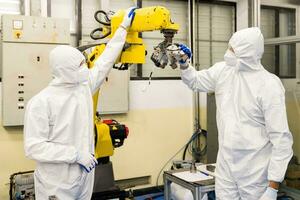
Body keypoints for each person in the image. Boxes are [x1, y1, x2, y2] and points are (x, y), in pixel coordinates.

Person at [23, 7, 136, 200]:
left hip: (84, 176)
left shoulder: (83, 88)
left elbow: (105, 62)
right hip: (56, 184)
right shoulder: (41, 102)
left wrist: (123, 28)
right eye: (79, 65)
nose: (85, 68)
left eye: (83, 63)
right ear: (63, 70)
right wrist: (75, 155)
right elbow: (33, 147)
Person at [173, 27, 293, 200]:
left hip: (255, 172)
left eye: (233, 50)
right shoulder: (224, 71)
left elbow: (281, 140)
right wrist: (184, 63)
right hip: (226, 167)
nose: (228, 52)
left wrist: (273, 187)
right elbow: (195, 81)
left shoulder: (269, 85)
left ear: (248, 53)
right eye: (230, 46)